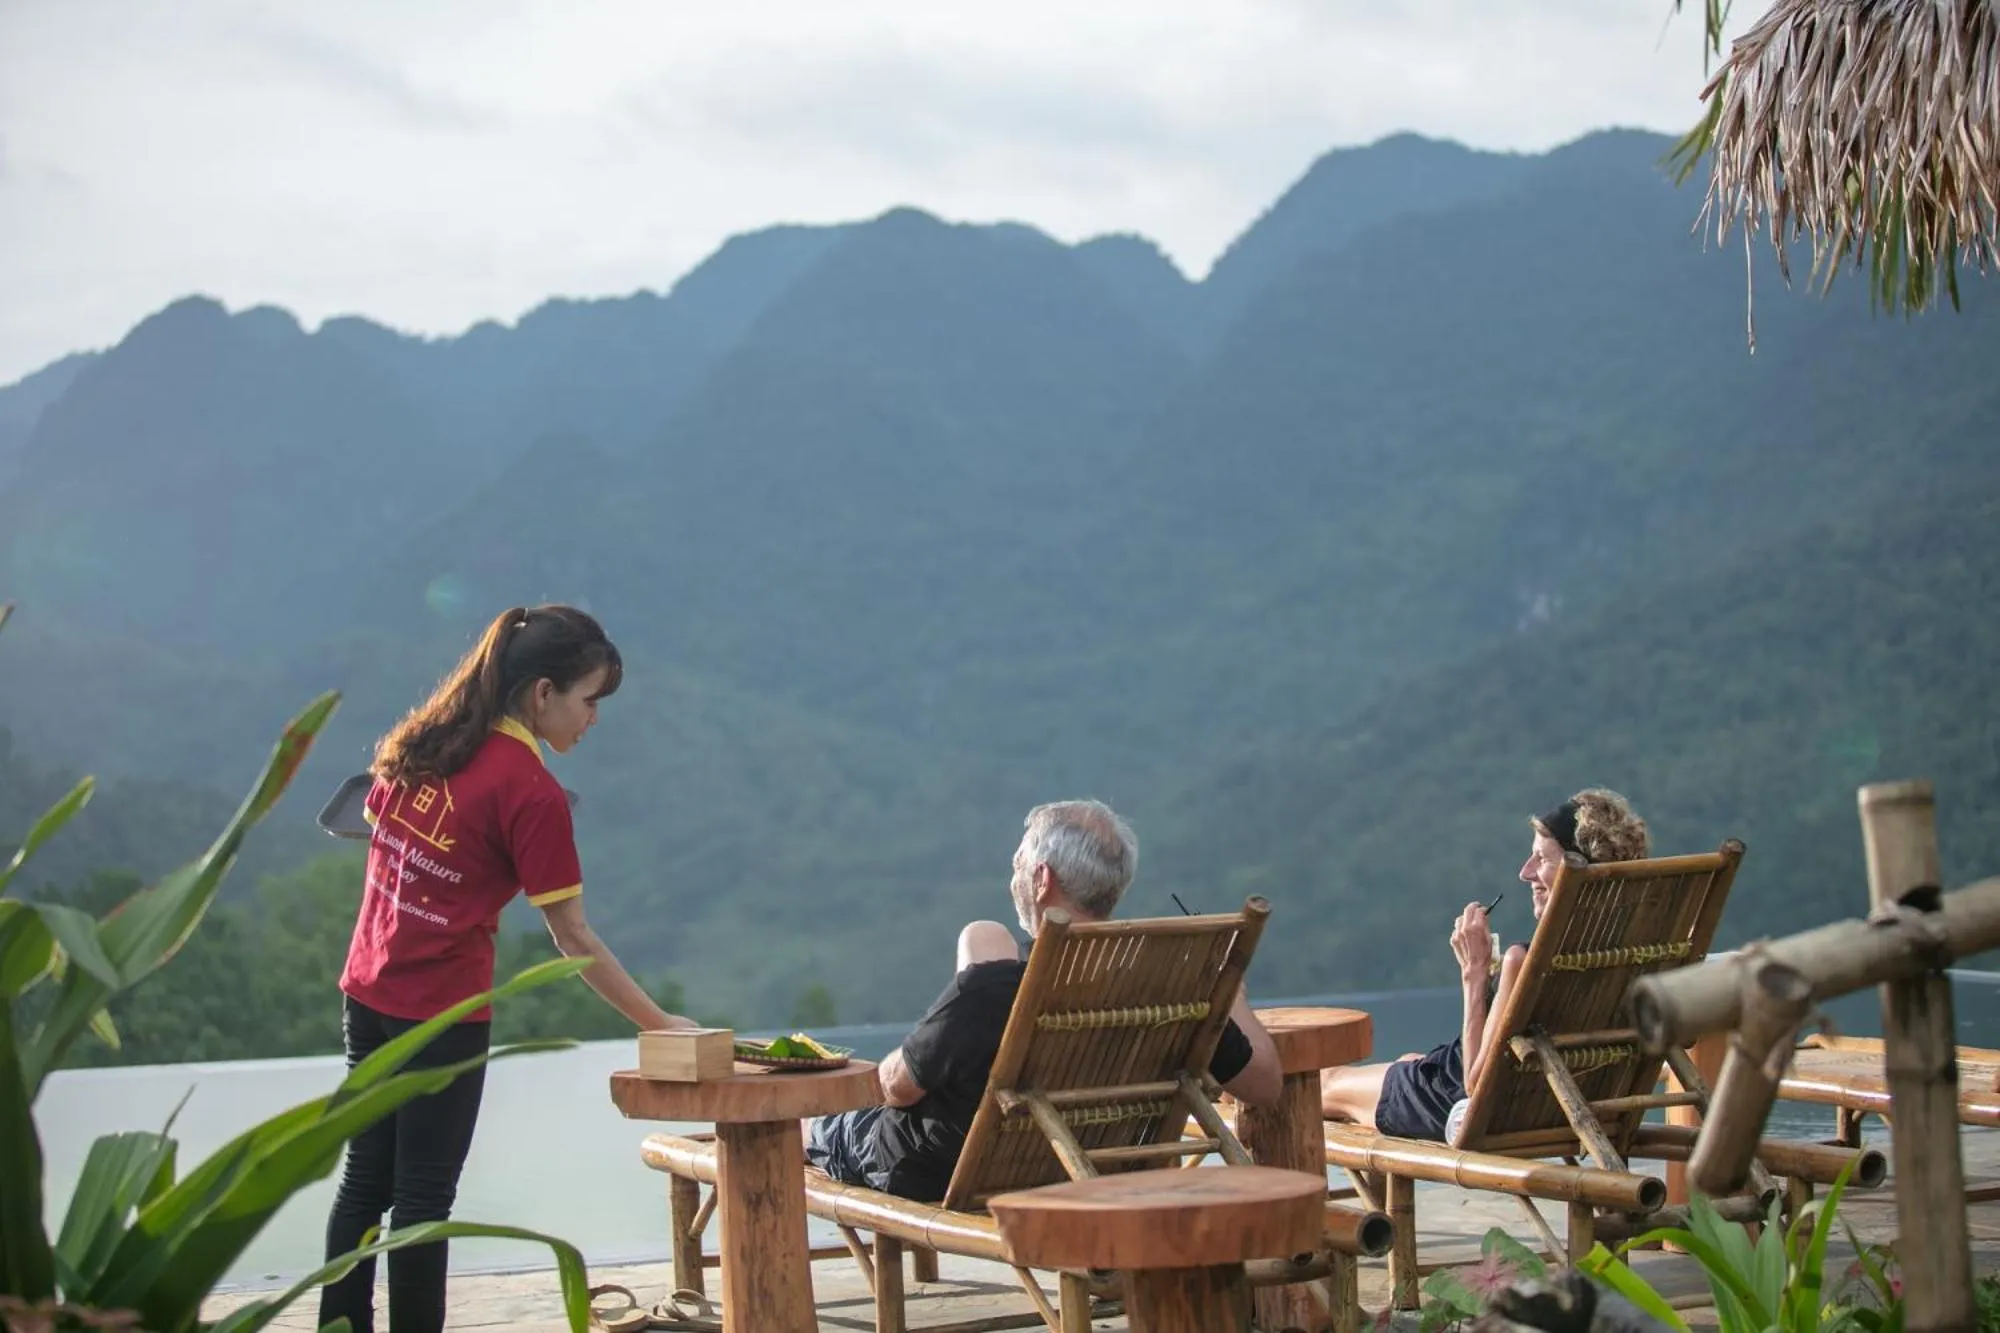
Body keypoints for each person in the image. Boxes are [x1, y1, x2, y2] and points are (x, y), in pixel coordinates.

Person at [320, 605, 699, 1333]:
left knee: (366, 1179)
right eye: (589, 700)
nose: (593, 719)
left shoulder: (421, 741)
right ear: (542, 693)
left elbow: (377, 828)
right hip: (441, 1015)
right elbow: (573, 937)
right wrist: (662, 1023)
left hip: (368, 989)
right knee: (423, 1198)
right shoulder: (531, 793)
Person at [805, 799, 1283, 1202]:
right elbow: (1265, 1086)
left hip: (946, 1171)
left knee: (803, 1127)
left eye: (1017, 864)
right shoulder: (1169, 993)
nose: (1011, 875)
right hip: (1095, 1167)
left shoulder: (992, 987)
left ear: (1041, 878)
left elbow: (898, 1089)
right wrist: (1227, 993)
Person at [1319, 788, 1650, 1142]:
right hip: (1569, 1102)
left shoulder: (1525, 962)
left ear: (1577, 870)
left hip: (1466, 1104)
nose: (1526, 873)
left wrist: (1474, 975)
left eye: (1541, 859)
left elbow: (1476, 1085)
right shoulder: (1634, 953)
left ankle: (1270, 1181)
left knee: (1322, 1083)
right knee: (1406, 1062)